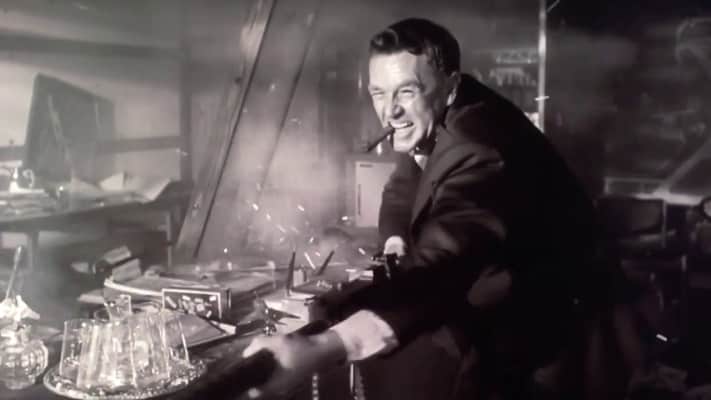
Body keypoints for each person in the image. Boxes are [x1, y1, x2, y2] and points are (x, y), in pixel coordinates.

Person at [243, 18, 640, 400]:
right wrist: (396, 243)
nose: (389, 111)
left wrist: (321, 349)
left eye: (406, 92)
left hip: (560, 343)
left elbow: (444, 262)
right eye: (379, 93)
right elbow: (402, 187)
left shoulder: (479, 147)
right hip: (508, 315)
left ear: (450, 87)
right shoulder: (435, 114)